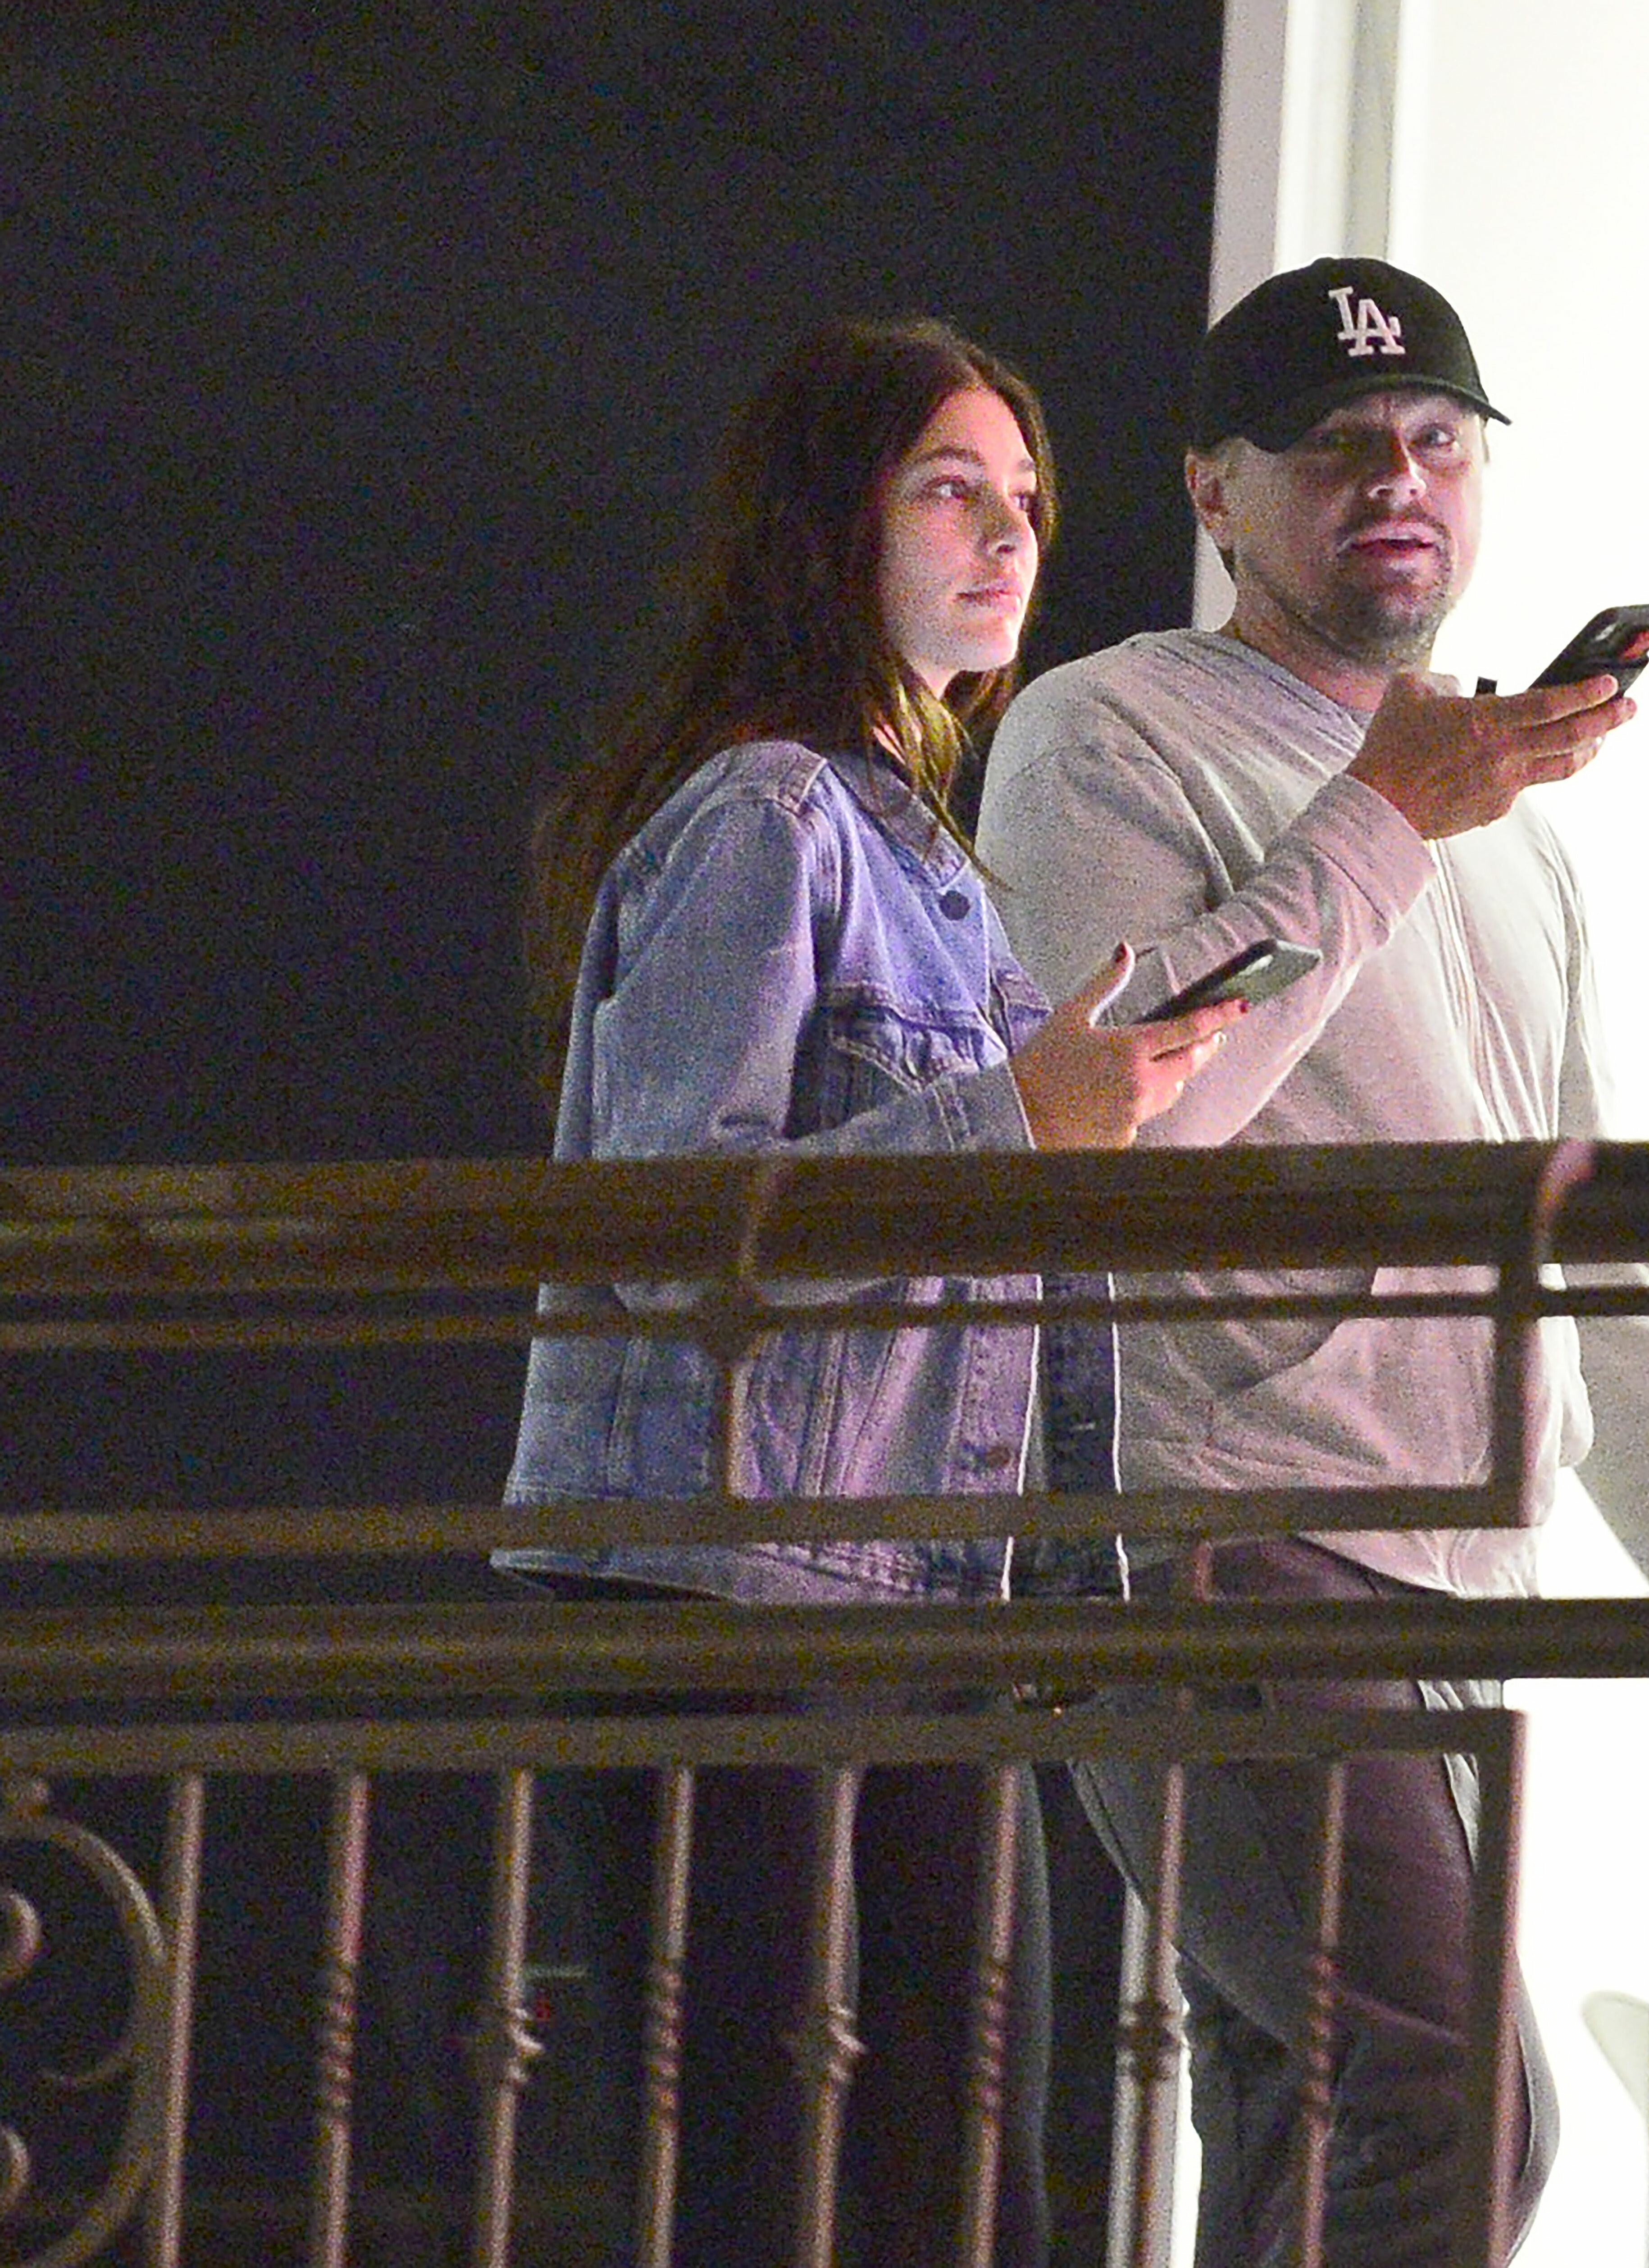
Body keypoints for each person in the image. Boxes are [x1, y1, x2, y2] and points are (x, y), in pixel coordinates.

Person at [974, 257, 1649, 2268]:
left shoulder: (1512, 833)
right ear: (1215, 493)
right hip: (1215, 1532)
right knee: (1444, 2102)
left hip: (1447, 1561)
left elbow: (1599, 1261)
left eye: (1438, 440)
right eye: (1335, 447)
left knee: (1324, 2115)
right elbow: (1129, 1123)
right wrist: (1387, 812)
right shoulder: (1102, 731)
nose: (1397, 480)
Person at [497, 314, 1241, 2268]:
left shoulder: (929, 863)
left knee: (949, 2184)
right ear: (831, 520)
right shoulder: (770, 813)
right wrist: (1019, 1115)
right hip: (734, 1596)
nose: (1008, 538)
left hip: (902, 1588)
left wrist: (1064, 1118)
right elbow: (675, 1223)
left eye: (1027, 501)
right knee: (790, 2186)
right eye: (948, 490)